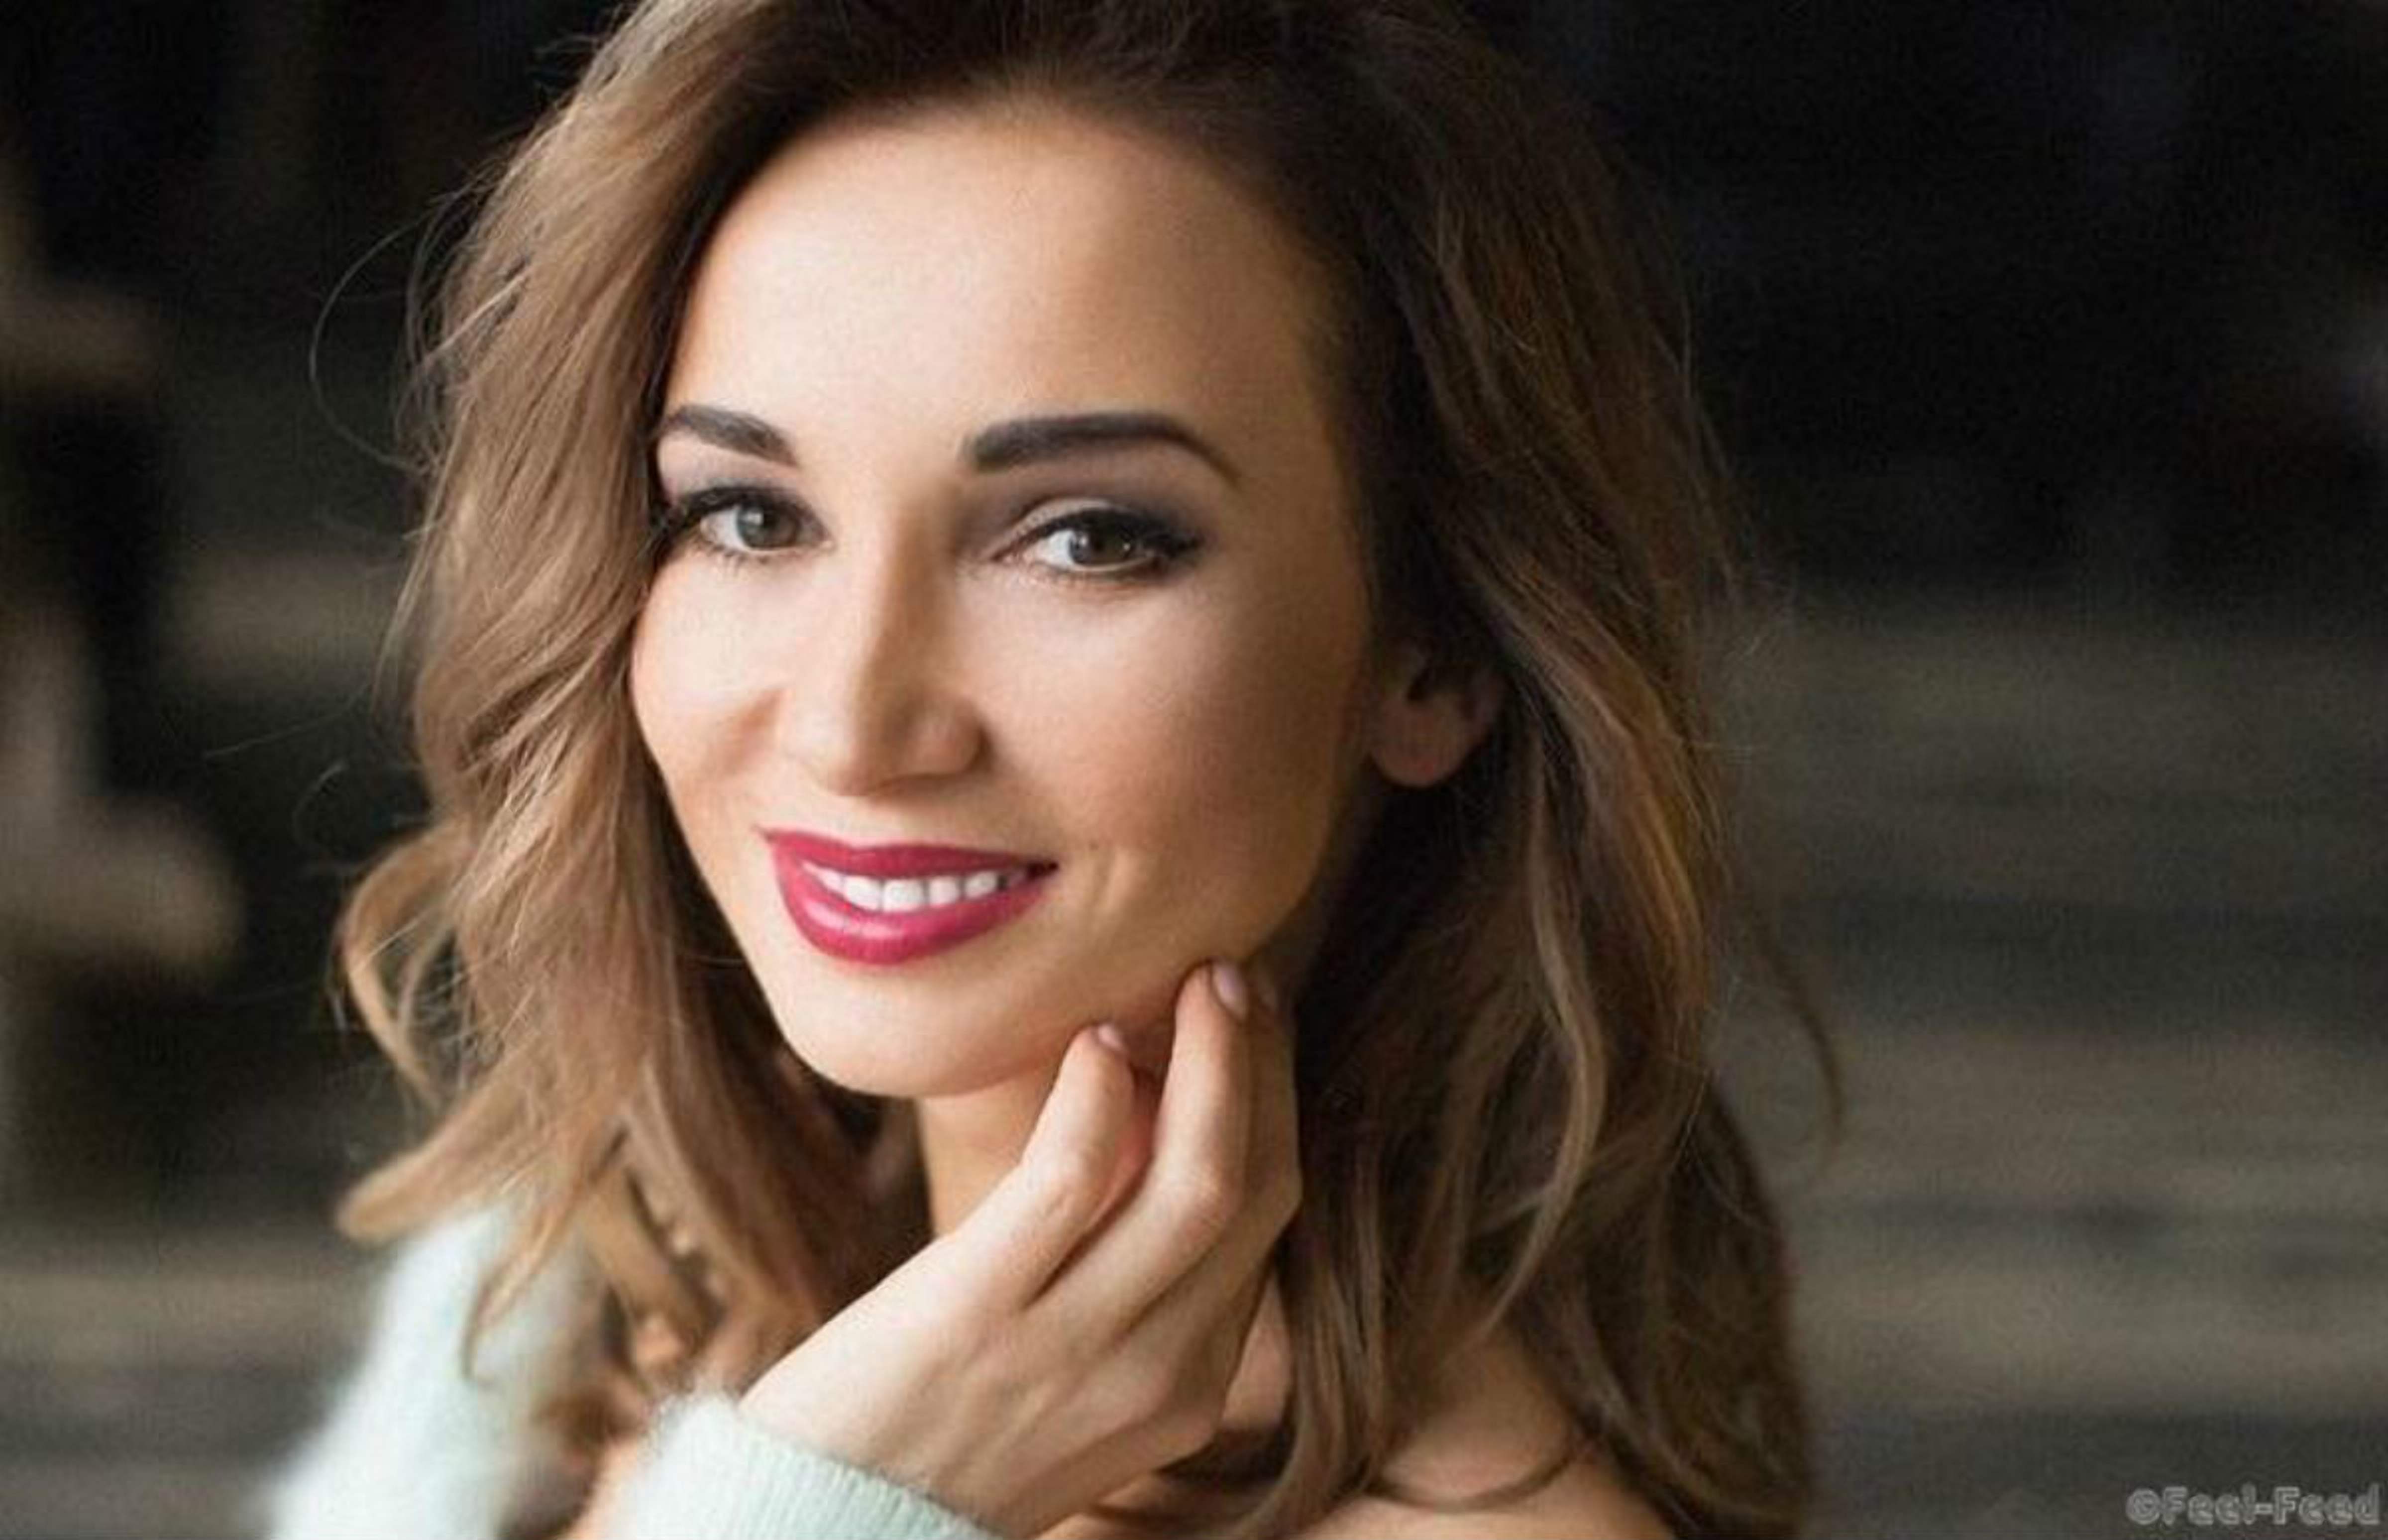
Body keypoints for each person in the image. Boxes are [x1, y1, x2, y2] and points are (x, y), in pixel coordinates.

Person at [257, 1, 1815, 1536]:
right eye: (749, 515)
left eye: (1085, 539)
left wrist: (815, 1513)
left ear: (1437, 656)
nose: (852, 724)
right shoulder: (567, 1305)